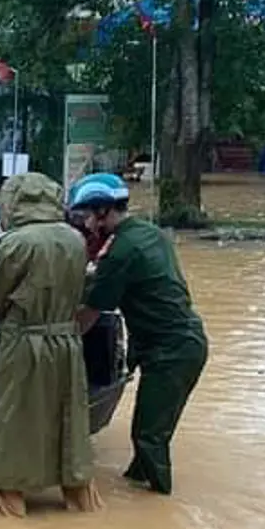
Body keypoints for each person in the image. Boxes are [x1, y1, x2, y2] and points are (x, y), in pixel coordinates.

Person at [0, 172, 101, 518]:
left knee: (12, 419)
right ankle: (78, 492)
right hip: (67, 342)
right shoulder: (74, 239)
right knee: (66, 415)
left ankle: (13, 498)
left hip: (22, 342)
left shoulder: (13, 244)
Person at [74, 174, 208, 496]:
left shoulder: (121, 252)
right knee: (149, 432)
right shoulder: (150, 233)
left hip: (171, 352)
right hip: (181, 342)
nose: (87, 224)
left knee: (148, 437)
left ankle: (160, 513)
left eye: (87, 216)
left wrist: (53, 343)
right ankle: (137, 487)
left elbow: (90, 314)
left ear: (104, 211)